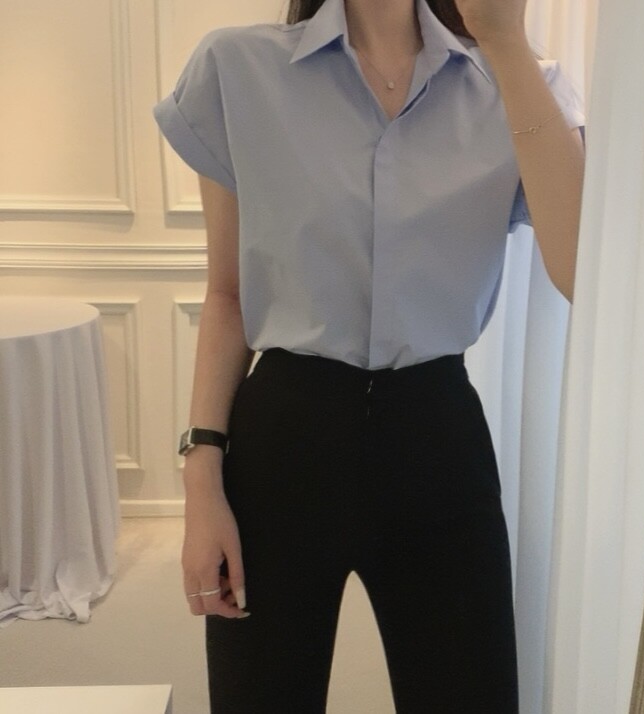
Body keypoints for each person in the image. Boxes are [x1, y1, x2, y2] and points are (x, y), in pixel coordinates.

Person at [153, 0, 585, 711]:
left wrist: (505, 41)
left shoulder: (517, 82)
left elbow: (578, 268)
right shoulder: (239, 69)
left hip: (437, 438)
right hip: (283, 439)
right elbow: (227, 295)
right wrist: (202, 485)